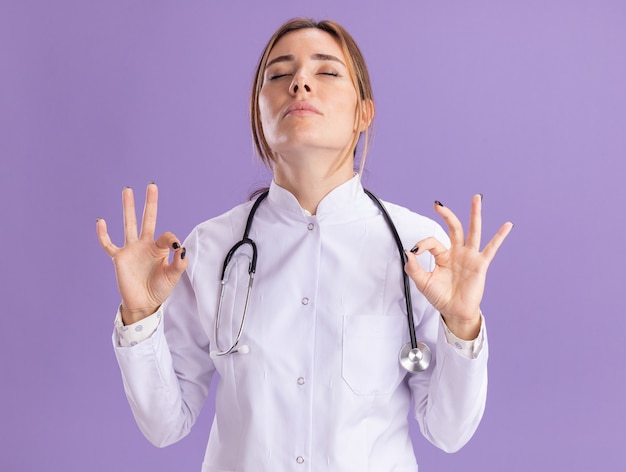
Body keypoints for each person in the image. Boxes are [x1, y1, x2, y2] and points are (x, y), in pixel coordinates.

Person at [97, 18, 513, 472]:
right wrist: (139, 318)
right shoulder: (212, 248)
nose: (299, 83)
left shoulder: (419, 252)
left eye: (327, 72)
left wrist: (462, 323)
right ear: (258, 111)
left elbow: (448, 432)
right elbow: (164, 425)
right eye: (279, 75)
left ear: (363, 113)